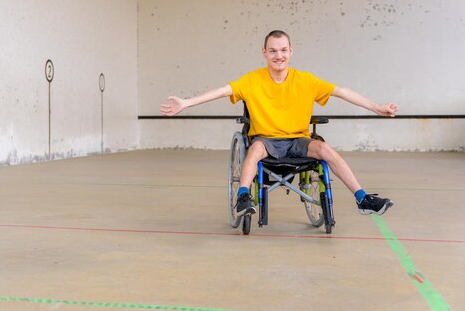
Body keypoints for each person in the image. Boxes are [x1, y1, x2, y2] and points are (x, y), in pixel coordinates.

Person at [160, 30, 396, 217]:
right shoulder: (253, 80)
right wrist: (186, 103)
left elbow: (342, 92)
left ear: (291, 51)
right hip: (266, 141)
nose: (278, 55)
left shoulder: (305, 80)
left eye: (283, 50)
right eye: (273, 51)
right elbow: (222, 91)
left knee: (325, 149)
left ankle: (362, 198)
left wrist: (376, 107)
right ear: (264, 52)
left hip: (297, 140)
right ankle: (243, 197)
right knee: (254, 149)